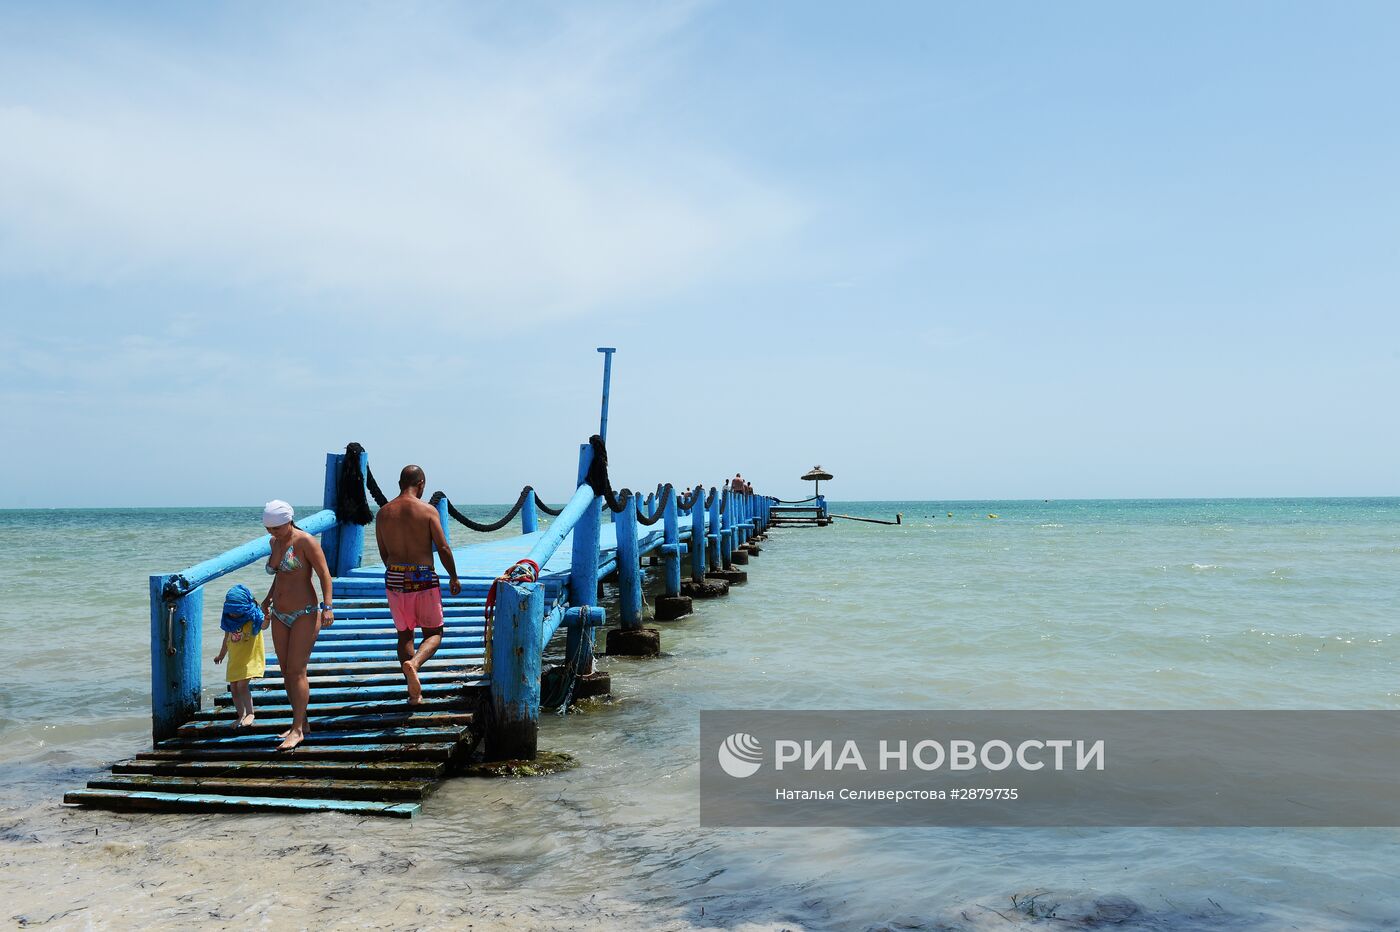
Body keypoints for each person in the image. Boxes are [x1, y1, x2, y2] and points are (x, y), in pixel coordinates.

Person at [375, 465, 461, 704]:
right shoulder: (427, 510)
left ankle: (414, 692)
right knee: (434, 632)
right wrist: (453, 576)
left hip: (394, 576)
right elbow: (442, 548)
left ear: (400, 482)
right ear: (421, 483)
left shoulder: (383, 513)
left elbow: (384, 552)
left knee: (404, 634)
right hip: (422, 577)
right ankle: (414, 664)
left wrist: (397, 573)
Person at [259, 499, 334, 750]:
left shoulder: (305, 542)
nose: (273, 533)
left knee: (296, 670)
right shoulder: (274, 542)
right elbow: (281, 575)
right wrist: (268, 600)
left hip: (305, 612)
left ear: (288, 521)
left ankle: (297, 729)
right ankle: (303, 721)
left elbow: (324, 574)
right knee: (285, 671)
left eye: (277, 528)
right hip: (280, 613)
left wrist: (328, 607)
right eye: (269, 529)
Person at [214, 583, 267, 728]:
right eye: (231, 611)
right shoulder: (229, 622)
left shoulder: (253, 618)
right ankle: (240, 715)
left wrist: (268, 618)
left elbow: (264, 626)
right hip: (235, 660)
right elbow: (226, 640)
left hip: (249, 658)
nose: (234, 615)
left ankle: (250, 713)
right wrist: (221, 655)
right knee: (234, 688)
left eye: (237, 612)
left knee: (243, 685)